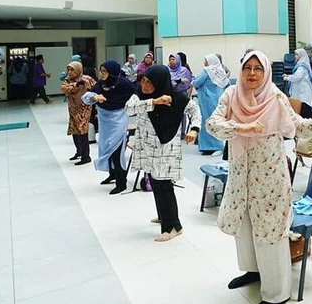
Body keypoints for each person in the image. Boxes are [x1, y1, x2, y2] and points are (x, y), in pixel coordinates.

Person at [206, 51, 312, 304]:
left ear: (266, 72)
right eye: (247, 68)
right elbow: (212, 124)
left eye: (258, 69)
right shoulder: (231, 95)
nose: (252, 74)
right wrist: (240, 128)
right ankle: (253, 271)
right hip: (241, 175)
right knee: (245, 227)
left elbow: (296, 125)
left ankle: (277, 292)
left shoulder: (275, 97)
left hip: (270, 177)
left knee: (270, 231)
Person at [126, 65, 201, 242]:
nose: (144, 85)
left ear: (159, 83)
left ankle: (173, 226)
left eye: (149, 82)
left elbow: (195, 110)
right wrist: (154, 101)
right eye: (143, 80)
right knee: (155, 181)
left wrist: (194, 129)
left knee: (164, 185)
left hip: (165, 147)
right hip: (147, 147)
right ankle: (163, 215)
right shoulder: (141, 94)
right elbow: (129, 109)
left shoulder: (176, 97)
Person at [82, 61, 137, 195]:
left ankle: (121, 182)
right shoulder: (102, 83)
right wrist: (95, 96)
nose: (102, 74)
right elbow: (86, 97)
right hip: (104, 120)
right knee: (106, 146)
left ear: (112, 72)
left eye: (105, 71)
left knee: (117, 149)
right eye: (101, 71)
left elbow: (136, 97)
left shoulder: (125, 85)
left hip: (118, 119)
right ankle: (112, 174)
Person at [193, 54, 229, 155]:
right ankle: (213, 146)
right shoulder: (220, 71)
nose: (204, 62)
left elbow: (197, 82)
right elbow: (227, 83)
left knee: (206, 121)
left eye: (206, 60)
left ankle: (212, 146)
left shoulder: (207, 70)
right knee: (215, 121)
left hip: (207, 100)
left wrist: (193, 82)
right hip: (217, 99)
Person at [61, 61, 96, 165]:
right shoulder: (67, 80)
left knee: (82, 131)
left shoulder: (87, 79)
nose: (70, 72)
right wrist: (76, 85)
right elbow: (64, 89)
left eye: (72, 69)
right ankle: (79, 152)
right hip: (73, 109)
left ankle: (86, 156)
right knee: (74, 130)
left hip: (84, 108)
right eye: (68, 69)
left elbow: (96, 88)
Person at [284, 48, 312, 117]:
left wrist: (288, 78)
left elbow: (297, 77)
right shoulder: (299, 65)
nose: (295, 56)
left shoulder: (302, 66)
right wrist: (289, 76)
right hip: (300, 91)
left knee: (304, 111)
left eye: (297, 54)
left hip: (303, 92)